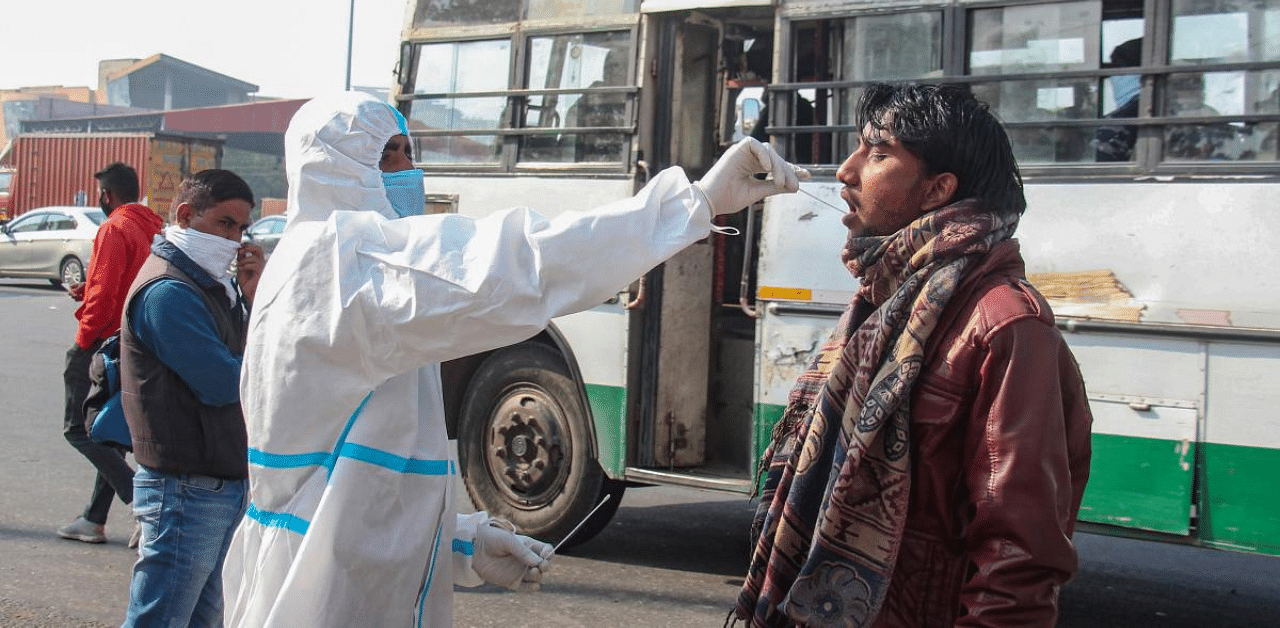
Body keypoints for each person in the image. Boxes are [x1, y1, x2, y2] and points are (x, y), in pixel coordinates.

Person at [221, 91, 804, 627]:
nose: (409, 174)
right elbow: (520, 265)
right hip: (321, 595)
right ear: (335, 170)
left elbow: (356, 476)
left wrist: (460, 540)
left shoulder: (319, 265)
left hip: (335, 572)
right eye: (387, 158)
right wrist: (692, 203)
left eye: (408, 152)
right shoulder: (343, 264)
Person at [733, 83, 1093, 627]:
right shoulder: (883, 302)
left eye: (877, 154)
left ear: (936, 191)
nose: (845, 172)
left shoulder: (1006, 326)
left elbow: (1020, 558)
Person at [119, 169, 264, 628]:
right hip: (186, 489)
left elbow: (235, 354)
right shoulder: (168, 292)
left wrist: (253, 296)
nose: (234, 239)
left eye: (242, 228)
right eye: (225, 224)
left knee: (201, 619)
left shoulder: (206, 285)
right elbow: (222, 382)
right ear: (186, 215)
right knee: (160, 618)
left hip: (213, 482)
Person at [57, 162, 162, 546]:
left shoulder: (114, 227)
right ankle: (93, 519)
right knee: (110, 431)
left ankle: (144, 502)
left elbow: (103, 300)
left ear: (106, 196)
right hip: (138, 343)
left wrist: (82, 343)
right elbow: (125, 282)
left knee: (79, 429)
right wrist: (86, 290)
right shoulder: (152, 226)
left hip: (104, 342)